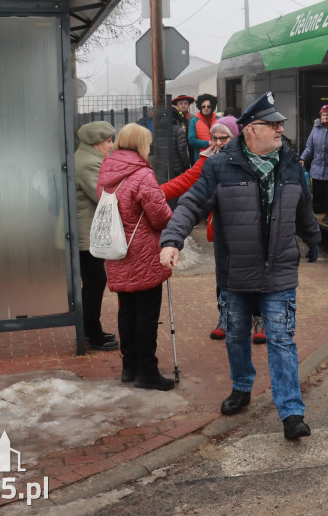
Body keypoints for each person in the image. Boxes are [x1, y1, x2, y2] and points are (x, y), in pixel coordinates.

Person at [159, 91, 321, 441]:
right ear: (250, 130)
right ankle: (242, 387)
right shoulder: (220, 166)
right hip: (235, 273)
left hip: (279, 273)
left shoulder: (290, 163)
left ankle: (292, 412)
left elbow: (303, 207)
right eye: (273, 124)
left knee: (281, 340)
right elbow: (190, 205)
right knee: (235, 335)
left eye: (280, 124)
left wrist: (313, 239)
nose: (280, 129)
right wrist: (172, 240)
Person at [96, 123, 205, 391]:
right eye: (147, 143)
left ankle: (129, 367)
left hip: (118, 251)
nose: (150, 147)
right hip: (143, 253)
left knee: (127, 309)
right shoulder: (142, 175)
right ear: (139, 144)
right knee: (146, 312)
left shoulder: (107, 171)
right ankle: (147, 371)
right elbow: (160, 216)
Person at [203, 118, 266, 344]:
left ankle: (259, 319)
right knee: (224, 276)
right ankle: (225, 317)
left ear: (236, 137)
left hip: (251, 229)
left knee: (254, 276)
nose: (219, 143)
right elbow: (195, 193)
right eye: (215, 138)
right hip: (224, 231)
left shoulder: (251, 160)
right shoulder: (208, 161)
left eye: (224, 138)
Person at [74, 121, 119, 351]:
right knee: (95, 282)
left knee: (92, 282)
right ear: (96, 142)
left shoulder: (84, 157)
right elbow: (102, 196)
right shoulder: (90, 164)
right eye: (108, 141)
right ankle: (92, 333)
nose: (111, 145)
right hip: (85, 234)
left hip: (85, 231)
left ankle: (88, 329)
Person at [301, 104, 328, 217]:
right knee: (318, 197)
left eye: (327, 115)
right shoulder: (315, 129)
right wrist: (303, 158)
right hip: (317, 170)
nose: (324, 117)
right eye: (323, 115)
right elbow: (309, 148)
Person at [188, 93, 218, 162]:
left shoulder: (219, 120)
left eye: (209, 106)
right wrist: (209, 143)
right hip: (201, 159)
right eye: (203, 106)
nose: (206, 108)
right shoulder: (194, 121)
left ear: (212, 107)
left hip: (217, 157)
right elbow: (192, 140)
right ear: (200, 107)